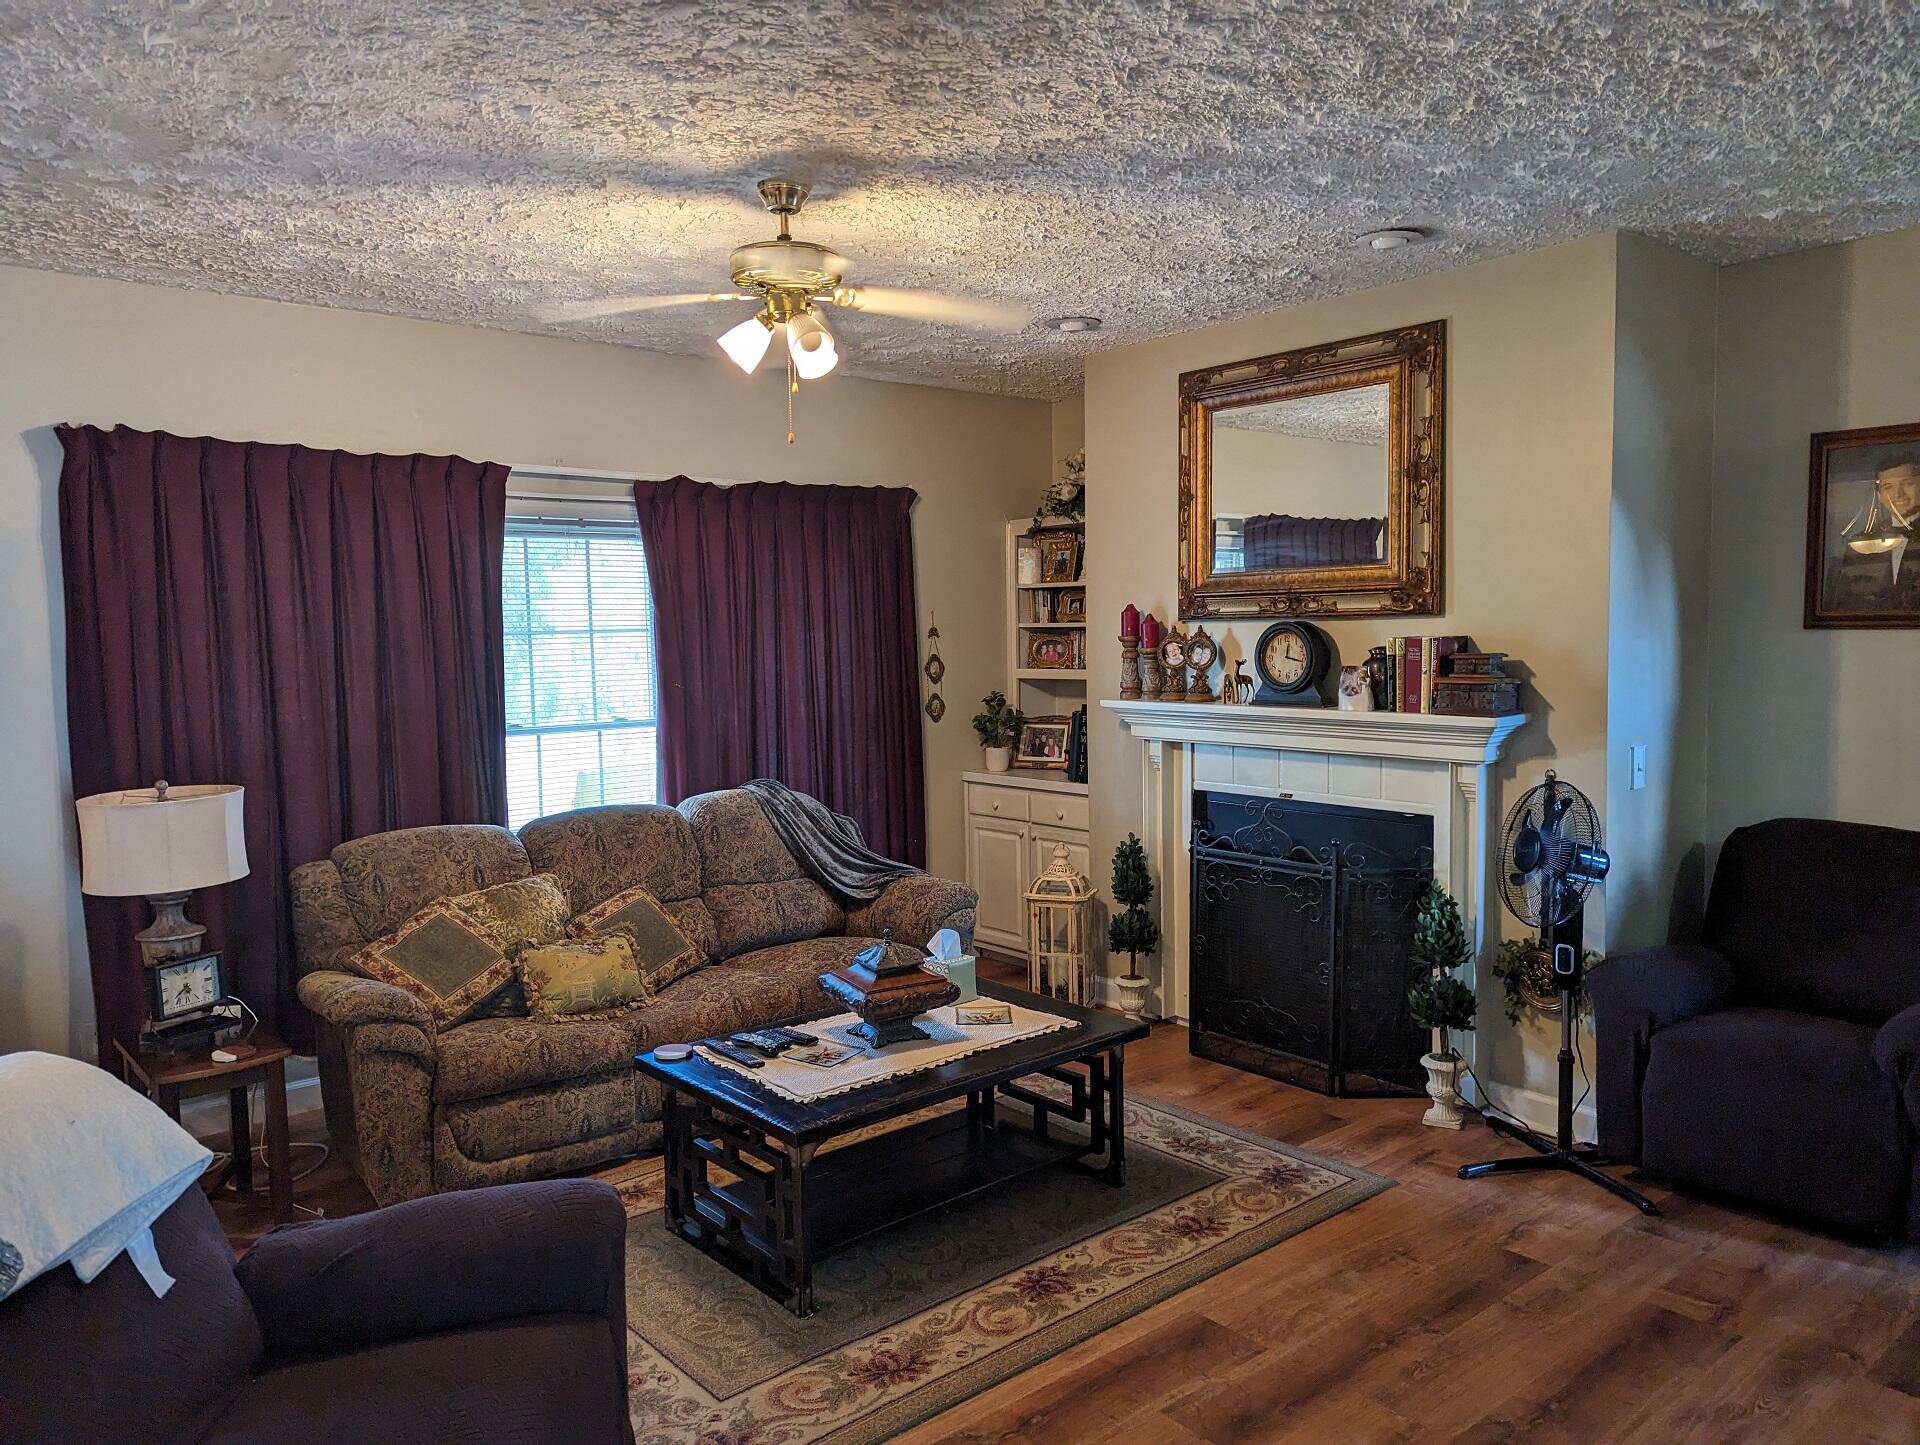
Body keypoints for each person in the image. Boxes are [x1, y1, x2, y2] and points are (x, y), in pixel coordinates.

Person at [1830, 457, 1920, 613]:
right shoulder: (1860, 542)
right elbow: (1842, 601)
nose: (1898, 494)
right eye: (1888, 486)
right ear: (1879, 495)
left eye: (1907, 484)